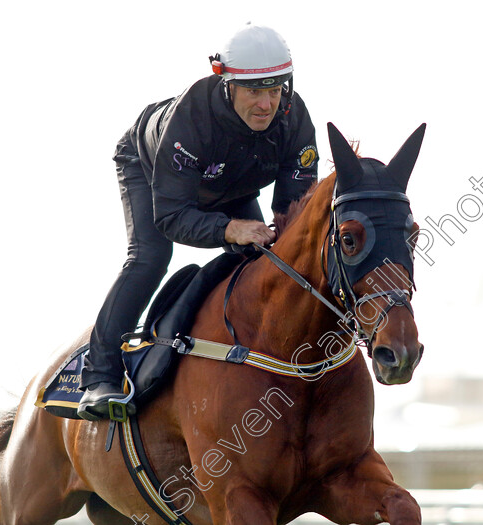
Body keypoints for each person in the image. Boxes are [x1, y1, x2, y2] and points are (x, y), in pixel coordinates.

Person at [77, 24, 319, 420]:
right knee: (149, 258)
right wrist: (229, 229)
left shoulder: (295, 121)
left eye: (275, 90)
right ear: (226, 83)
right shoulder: (194, 118)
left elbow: (292, 218)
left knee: (264, 260)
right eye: (254, 91)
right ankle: (98, 376)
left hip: (229, 181)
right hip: (150, 167)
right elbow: (172, 216)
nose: (266, 104)